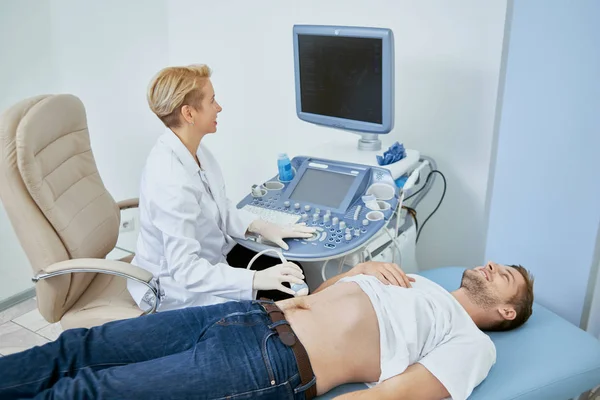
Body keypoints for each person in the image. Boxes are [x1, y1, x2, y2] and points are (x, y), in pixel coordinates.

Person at [0, 260, 534, 400]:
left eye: (504, 276)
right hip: (249, 315)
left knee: (87, 392)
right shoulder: (419, 282)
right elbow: (320, 301)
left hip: (272, 365)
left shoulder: (472, 344)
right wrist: (354, 273)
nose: (491, 266)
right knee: (80, 345)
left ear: (507, 311)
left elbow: (393, 395)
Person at [128, 64, 316, 311]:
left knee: (294, 271)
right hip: (177, 290)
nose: (219, 107)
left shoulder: (195, 151)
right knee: (282, 297)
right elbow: (185, 270)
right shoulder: (170, 181)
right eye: (212, 101)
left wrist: (262, 227)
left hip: (212, 258)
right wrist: (256, 279)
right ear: (189, 113)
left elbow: (218, 206)